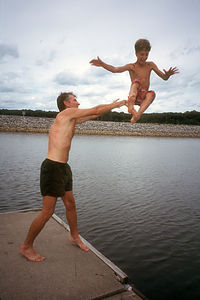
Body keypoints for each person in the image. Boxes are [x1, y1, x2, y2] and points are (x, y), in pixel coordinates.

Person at [20, 92, 127, 262]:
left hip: (63, 167)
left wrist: (111, 105)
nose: (78, 103)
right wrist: (118, 104)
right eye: (75, 100)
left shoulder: (72, 118)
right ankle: (26, 246)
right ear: (66, 104)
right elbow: (95, 108)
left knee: (70, 204)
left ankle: (74, 236)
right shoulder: (65, 114)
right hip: (52, 167)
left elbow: (96, 112)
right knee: (47, 211)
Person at [90, 39, 179, 123]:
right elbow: (115, 69)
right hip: (134, 95)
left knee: (152, 94)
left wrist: (167, 75)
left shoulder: (150, 65)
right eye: (142, 54)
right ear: (136, 53)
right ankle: (131, 107)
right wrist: (102, 64)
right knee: (136, 82)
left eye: (146, 55)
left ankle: (137, 115)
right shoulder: (132, 66)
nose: (144, 57)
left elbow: (164, 78)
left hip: (143, 96)